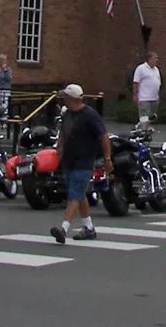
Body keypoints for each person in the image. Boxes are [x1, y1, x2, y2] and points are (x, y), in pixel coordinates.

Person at [49, 84, 112, 244]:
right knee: (79, 194)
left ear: (72, 99)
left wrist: (107, 158)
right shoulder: (67, 114)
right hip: (68, 160)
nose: (63, 99)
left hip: (84, 161)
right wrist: (59, 147)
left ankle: (64, 228)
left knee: (74, 195)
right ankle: (89, 228)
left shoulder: (90, 115)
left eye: (66, 97)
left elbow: (104, 136)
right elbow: (64, 132)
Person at [132, 51, 162, 122]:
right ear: (149, 59)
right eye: (155, 58)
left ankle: (147, 129)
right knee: (144, 118)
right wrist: (135, 95)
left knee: (151, 117)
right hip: (144, 98)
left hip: (154, 98)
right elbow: (136, 82)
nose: (157, 60)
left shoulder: (156, 69)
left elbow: (158, 83)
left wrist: (158, 96)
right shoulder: (141, 68)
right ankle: (144, 130)